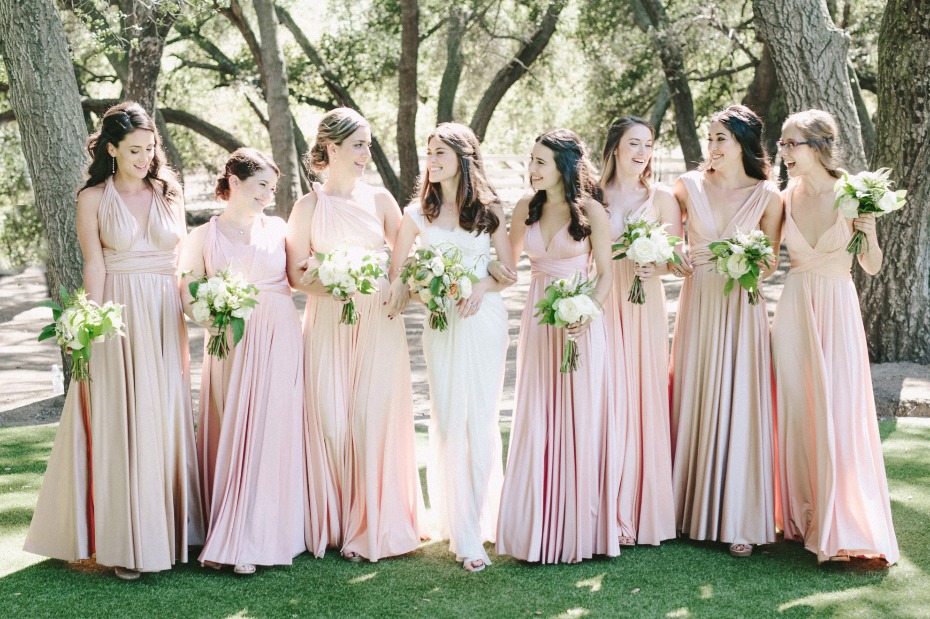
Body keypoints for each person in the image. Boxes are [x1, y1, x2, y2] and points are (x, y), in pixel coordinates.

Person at [24, 101, 204, 579]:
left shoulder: (170, 192)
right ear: (111, 149)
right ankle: (126, 541)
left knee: (161, 416)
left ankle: (168, 531)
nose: (145, 158)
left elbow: (181, 264)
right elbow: (95, 264)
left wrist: (201, 304)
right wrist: (88, 322)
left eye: (150, 149)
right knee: (122, 421)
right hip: (118, 314)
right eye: (135, 150)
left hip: (165, 314)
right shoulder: (92, 198)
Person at [286, 107, 423, 562]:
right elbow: (295, 276)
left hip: (378, 320)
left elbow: (406, 258)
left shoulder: (381, 200)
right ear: (332, 148)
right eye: (359, 145)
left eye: (367, 144)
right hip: (328, 319)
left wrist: (403, 284)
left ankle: (375, 526)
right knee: (331, 419)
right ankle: (335, 523)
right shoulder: (307, 206)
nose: (367, 153)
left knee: (371, 417)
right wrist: (335, 281)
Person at [772, 109, 899, 564]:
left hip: (837, 307)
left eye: (791, 144)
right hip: (793, 309)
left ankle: (844, 521)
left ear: (819, 146)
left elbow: (872, 266)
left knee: (840, 409)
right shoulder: (784, 197)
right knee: (799, 408)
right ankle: (805, 517)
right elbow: (768, 260)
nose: (783, 151)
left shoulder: (854, 194)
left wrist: (868, 233)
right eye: (782, 144)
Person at [386, 123, 514, 572]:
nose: (432, 160)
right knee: (447, 419)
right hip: (441, 323)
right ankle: (458, 526)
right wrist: (429, 291)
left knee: (480, 420)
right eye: (429, 152)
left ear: (463, 156)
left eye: (440, 152)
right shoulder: (416, 214)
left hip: (484, 322)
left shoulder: (490, 209)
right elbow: (399, 276)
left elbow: (509, 271)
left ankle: (477, 526)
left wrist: (478, 285)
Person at [179, 148, 306, 575]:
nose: (268, 195)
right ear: (234, 182)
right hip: (229, 338)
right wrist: (209, 315)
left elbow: (298, 277)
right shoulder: (202, 236)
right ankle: (230, 528)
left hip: (279, 334)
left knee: (271, 429)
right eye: (261, 186)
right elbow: (187, 290)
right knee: (234, 428)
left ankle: (261, 533)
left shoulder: (279, 228)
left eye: (272, 187)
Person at [496, 129, 620, 564]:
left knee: (580, 416)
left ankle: (578, 530)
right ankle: (536, 528)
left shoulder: (591, 211)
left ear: (564, 166)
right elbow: (505, 265)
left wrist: (585, 314)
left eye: (540, 162)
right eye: (530, 161)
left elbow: (605, 275)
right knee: (538, 415)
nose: (532, 170)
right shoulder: (523, 210)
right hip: (538, 322)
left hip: (578, 323)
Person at [669, 104, 782, 558]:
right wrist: (675, 253)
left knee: (740, 400)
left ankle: (739, 518)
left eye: (721, 139)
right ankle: (678, 511)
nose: (711, 147)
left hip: (742, 306)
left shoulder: (768, 197)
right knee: (693, 392)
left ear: (743, 145)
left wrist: (747, 258)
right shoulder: (687, 186)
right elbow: (669, 237)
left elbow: (772, 262)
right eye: (709, 138)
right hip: (697, 304)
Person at [599, 117, 678, 546]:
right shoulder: (591, 195)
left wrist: (657, 263)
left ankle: (644, 509)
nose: (642, 152)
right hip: (605, 302)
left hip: (644, 302)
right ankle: (607, 506)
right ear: (614, 147)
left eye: (648, 144)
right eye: (633, 143)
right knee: (609, 394)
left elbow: (678, 261)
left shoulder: (662, 197)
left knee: (643, 396)